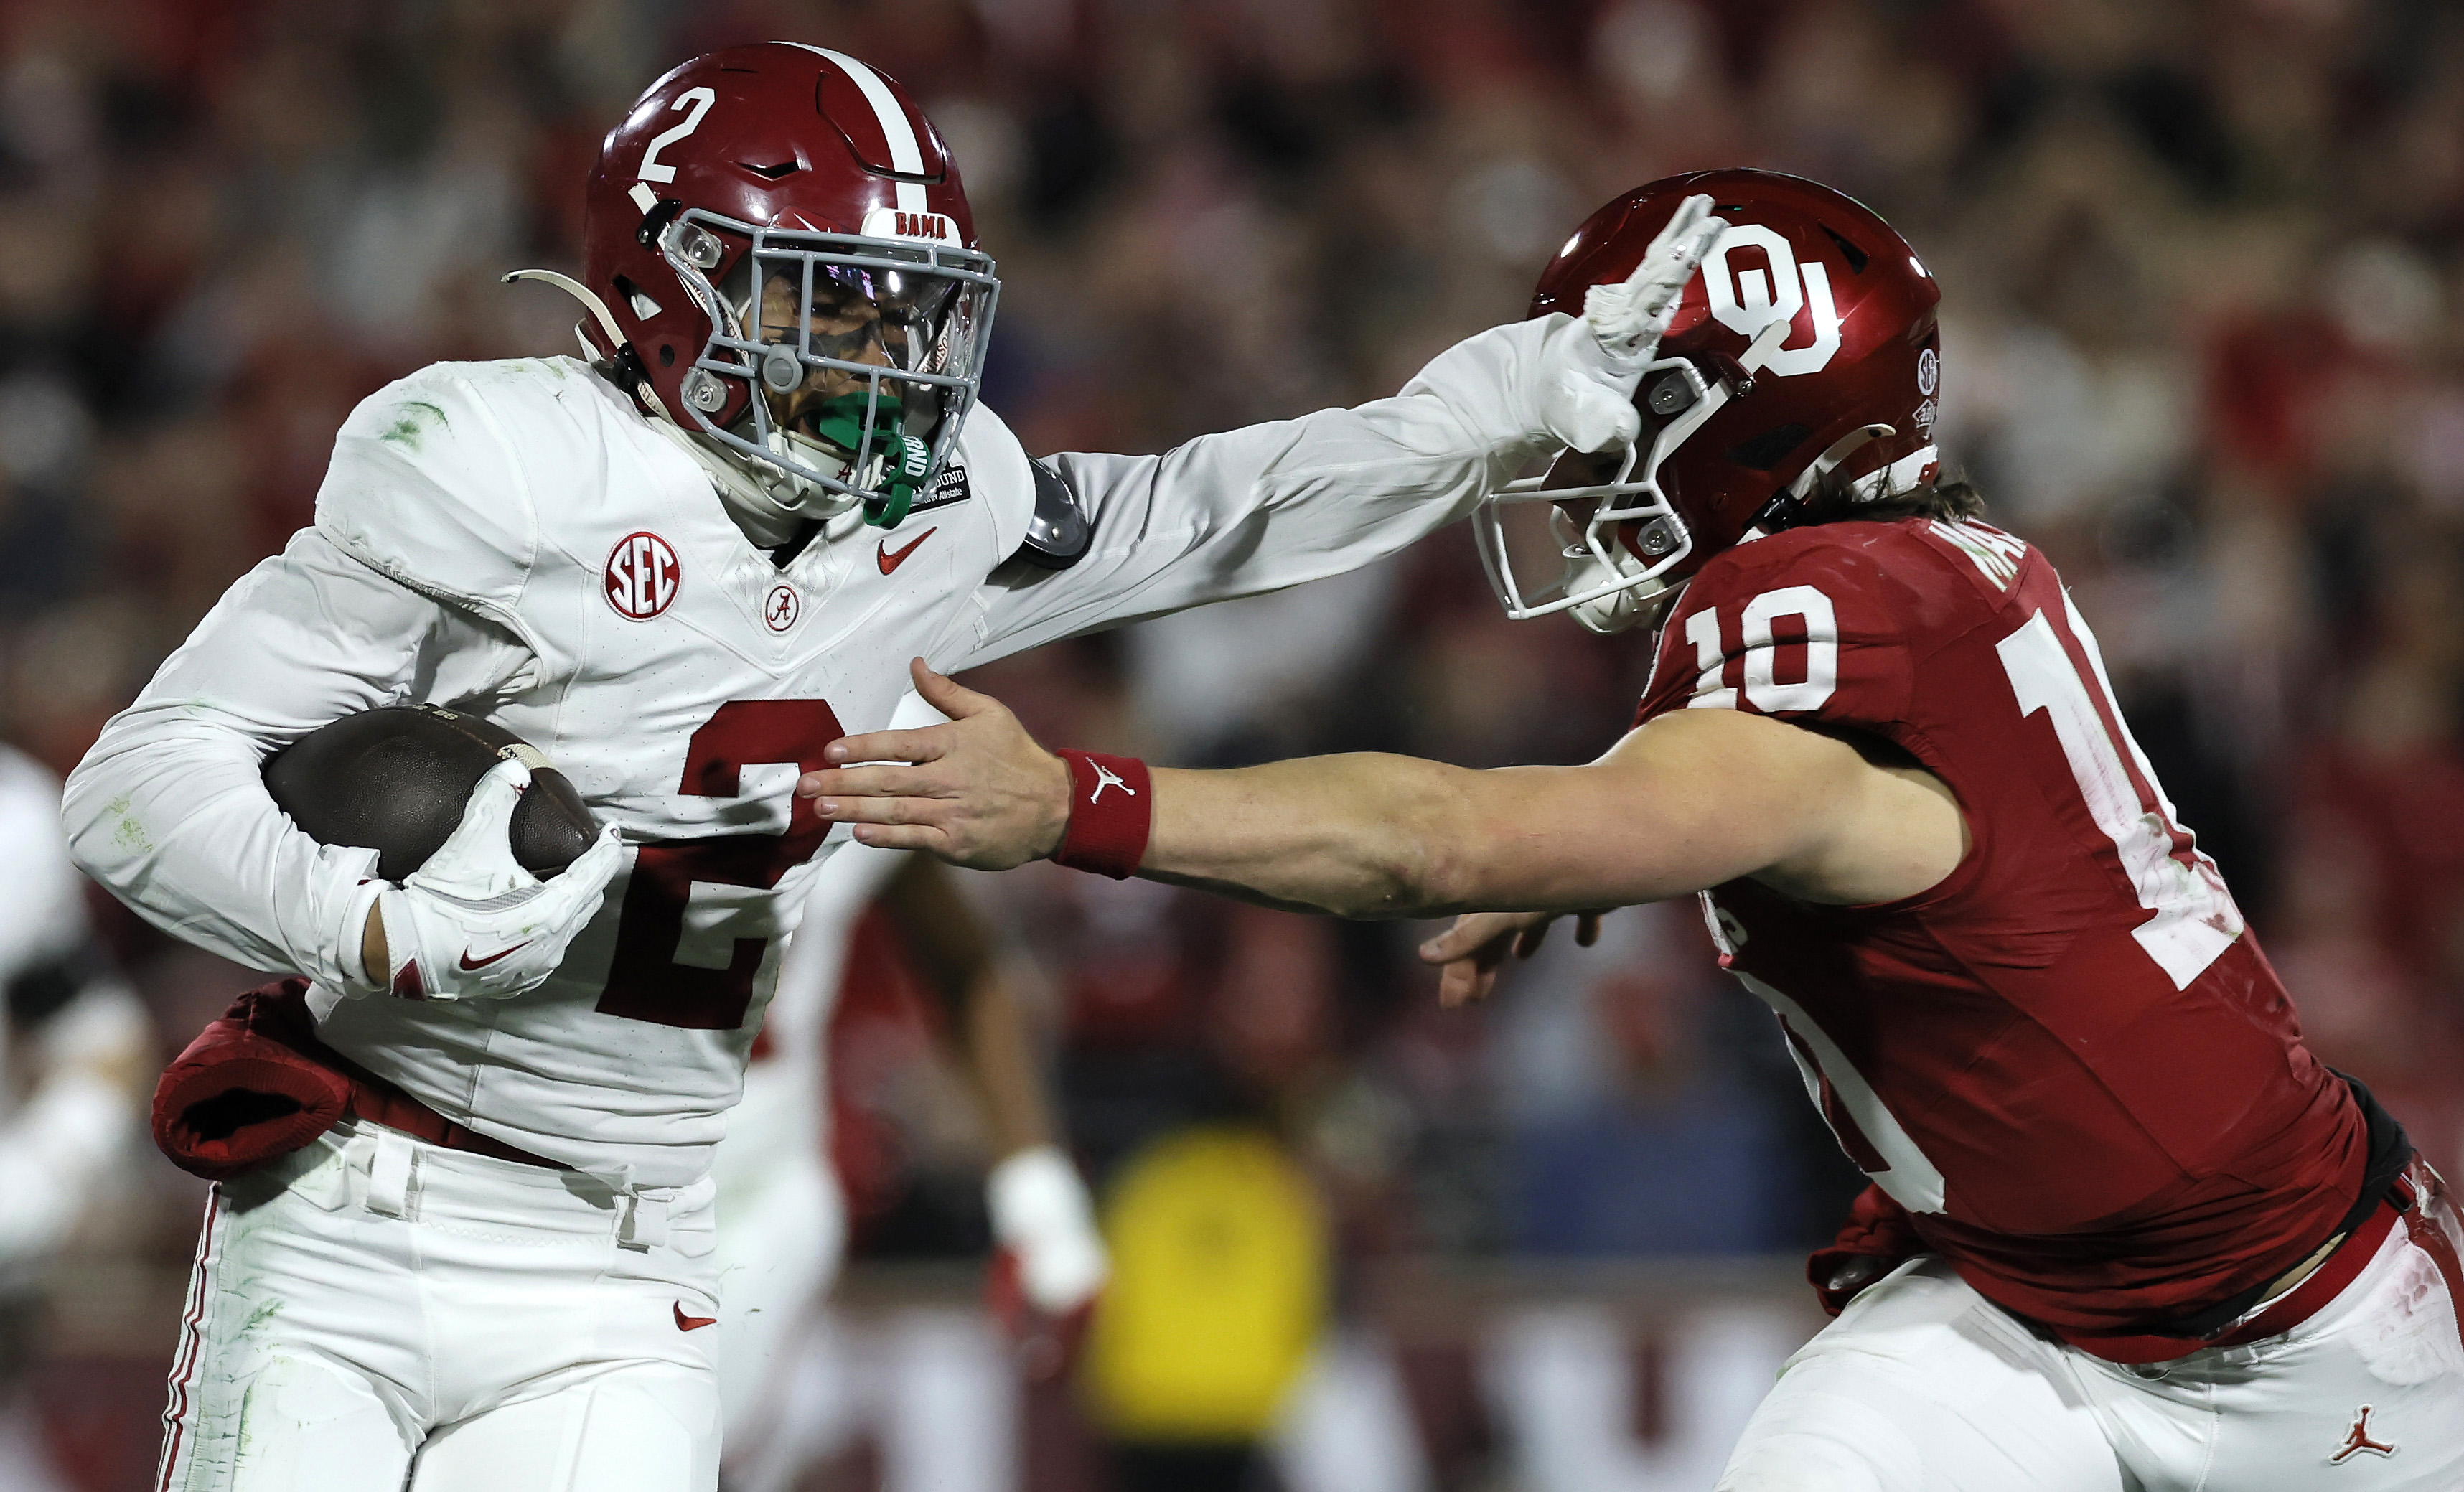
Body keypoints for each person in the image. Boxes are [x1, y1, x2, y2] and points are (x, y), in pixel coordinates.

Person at [60, 41, 1721, 1492]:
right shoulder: (496, 466)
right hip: (371, 1188)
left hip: (629, 1246)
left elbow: (1225, 508)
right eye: (826, 296)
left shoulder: (940, 513)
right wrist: (357, 923)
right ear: (668, 287)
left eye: (900, 307)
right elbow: (138, 780)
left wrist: (1501, 399)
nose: (880, 355)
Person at [799, 169, 2464, 1490]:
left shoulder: (1814, 619)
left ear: (1744, 410)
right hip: (2027, 1299)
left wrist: (1073, 803)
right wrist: (1619, 831)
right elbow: (1845, 825)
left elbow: (1442, 843)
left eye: (1619, 404)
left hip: (2304, 1350)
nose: (1579, 453)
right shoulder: (1937, 567)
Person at [716, 703, 1102, 1492]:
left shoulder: (861, 735)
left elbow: (971, 964)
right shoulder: (559, 698)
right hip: (534, 1179)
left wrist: (1038, 1195)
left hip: (745, 1199)